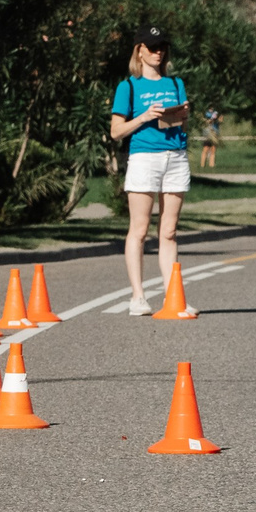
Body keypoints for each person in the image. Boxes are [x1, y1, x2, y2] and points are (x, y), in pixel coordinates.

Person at [110, 25, 193, 317]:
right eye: (152, 46)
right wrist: (145, 116)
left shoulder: (175, 83)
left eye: (162, 47)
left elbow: (181, 124)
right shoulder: (128, 87)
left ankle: (174, 297)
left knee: (168, 231)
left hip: (175, 157)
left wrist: (181, 116)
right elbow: (116, 132)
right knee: (140, 229)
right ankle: (138, 296)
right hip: (144, 158)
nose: (158, 52)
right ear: (140, 50)